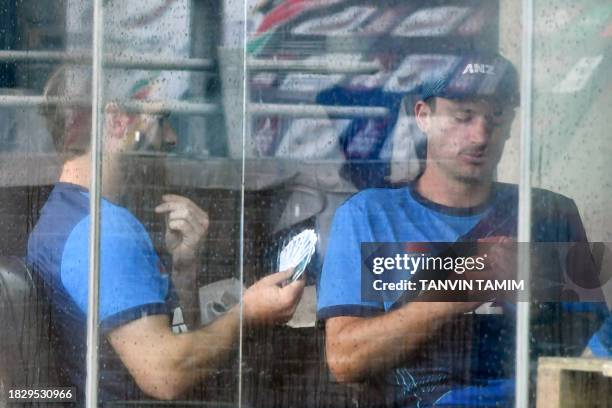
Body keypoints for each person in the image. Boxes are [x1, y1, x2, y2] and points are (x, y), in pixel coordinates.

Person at [317, 52, 609, 407]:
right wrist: (453, 292)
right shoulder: (369, 215)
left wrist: (538, 297)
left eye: (496, 117)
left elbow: (595, 355)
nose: (481, 134)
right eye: (463, 116)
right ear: (423, 116)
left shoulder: (550, 214)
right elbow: (345, 361)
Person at [27, 66, 305, 404]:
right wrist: (248, 314)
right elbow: (165, 374)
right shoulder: (103, 231)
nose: (171, 138)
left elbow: (171, 345)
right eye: (161, 120)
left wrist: (184, 273)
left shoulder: (65, 215)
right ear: (118, 120)